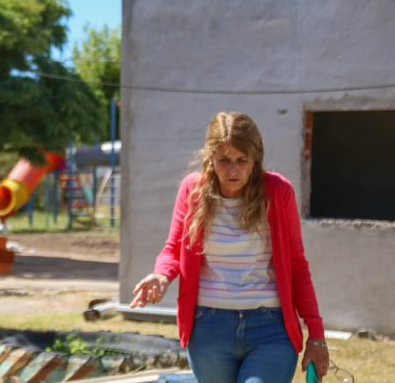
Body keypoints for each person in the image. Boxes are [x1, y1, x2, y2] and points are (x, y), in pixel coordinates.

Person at [130, 112, 328, 383]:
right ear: (210, 158)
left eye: (241, 160)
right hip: (209, 330)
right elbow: (173, 249)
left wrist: (316, 334)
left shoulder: (278, 192)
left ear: (255, 158)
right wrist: (162, 275)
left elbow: (297, 266)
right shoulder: (192, 191)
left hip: (270, 328)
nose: (232, 171)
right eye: (223, 160)